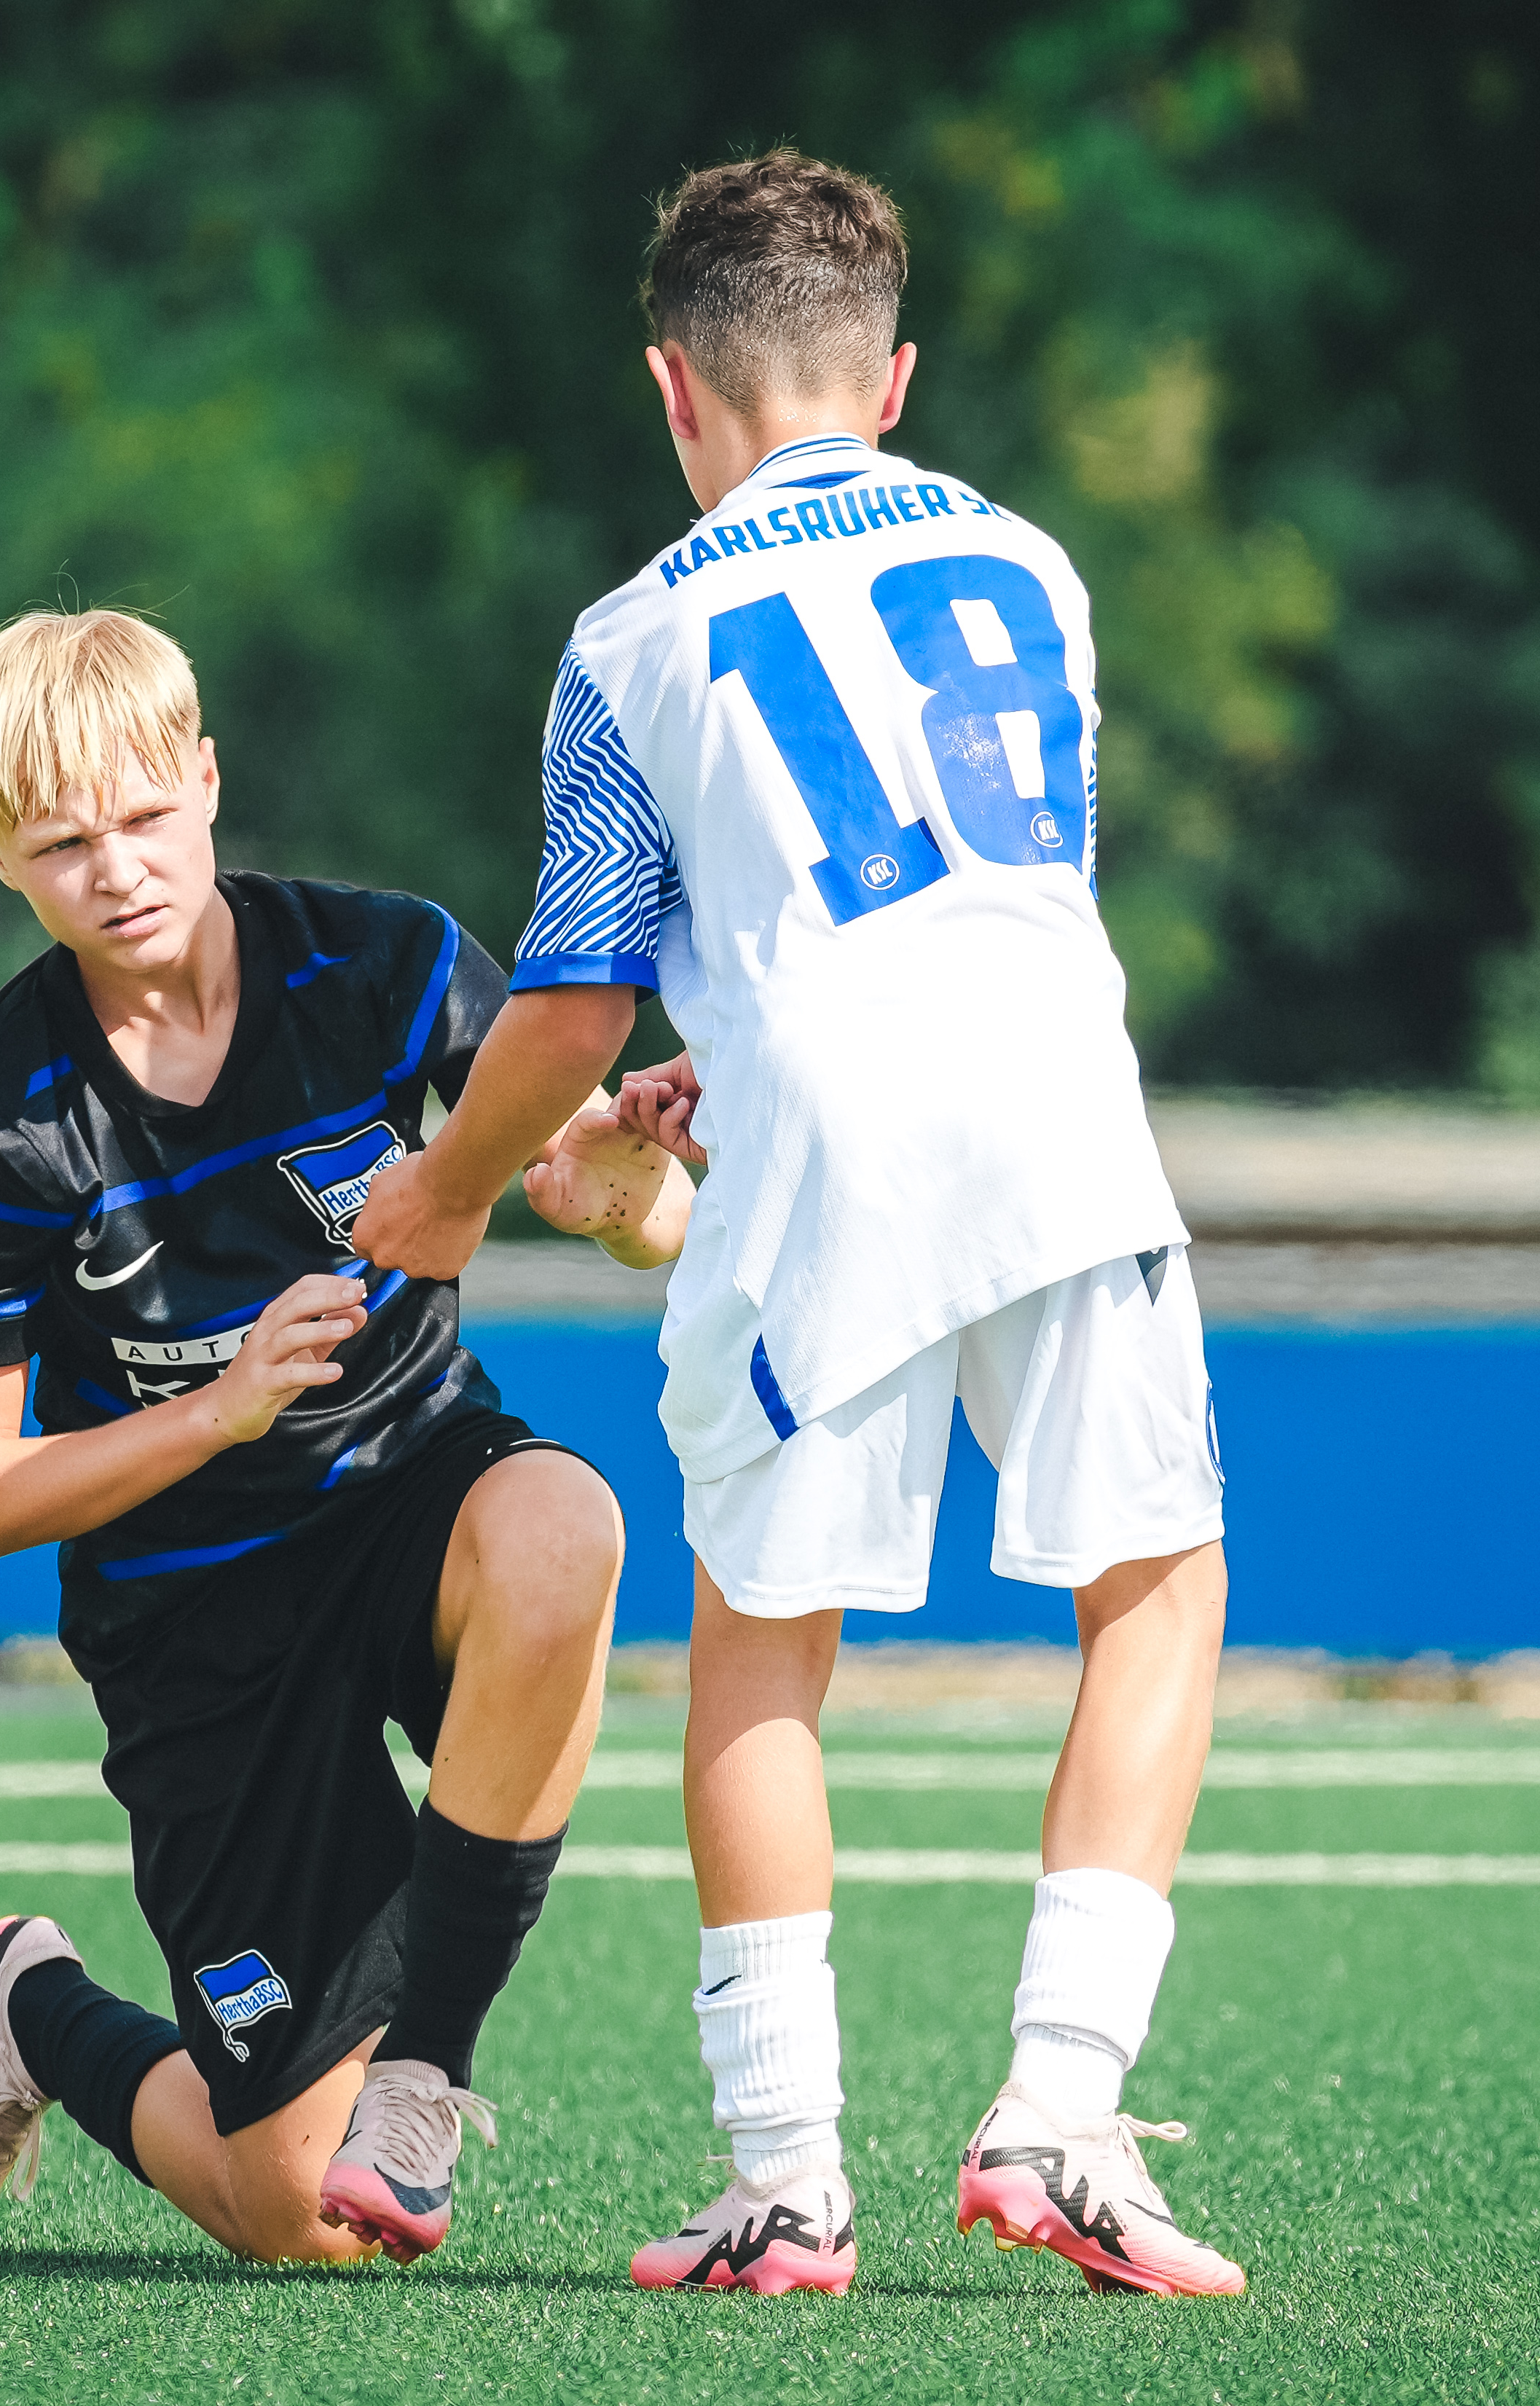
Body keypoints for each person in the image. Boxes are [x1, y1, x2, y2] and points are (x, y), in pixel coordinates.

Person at [351, 151, 1246, 2300]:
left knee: (765, 1635)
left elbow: (574, 996)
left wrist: (445, 1193)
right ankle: (1060, 2112)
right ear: (897, 373)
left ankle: (785, 2176)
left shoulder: (630, 634)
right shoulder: (1032, 566)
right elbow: (981, 894)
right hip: (1060, 1108)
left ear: (676, 388)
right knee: (1157, 1589)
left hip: (830, 1151)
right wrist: (721, 1062)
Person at [0, 606, 688, 2266]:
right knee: (299, 2226)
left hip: (410, 1496)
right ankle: (30, 2013)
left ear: (208, 778)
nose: (118, 869)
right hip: (199, 1613)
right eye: (62, 843)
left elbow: (624, 1205)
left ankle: (424, 2077)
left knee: (565, 1526)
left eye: (147, 816)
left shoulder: (378, 964)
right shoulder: (3, 1113)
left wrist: (617, 1194)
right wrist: (217, 1405)